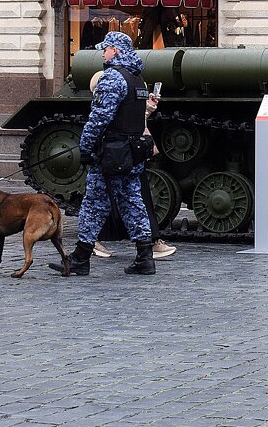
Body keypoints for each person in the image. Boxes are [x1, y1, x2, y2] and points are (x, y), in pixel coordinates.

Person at [52, 31, 155, 276]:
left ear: (115, 51)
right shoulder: (137, 79)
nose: (103, 53)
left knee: (94, 203)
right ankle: (145, 256)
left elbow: (99, 118)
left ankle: (81, 257)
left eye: (106, 49)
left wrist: (86, 146)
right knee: (133, 202)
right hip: (132, 152)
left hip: (111, 153)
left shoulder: (112, 78)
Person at [87, 70, 176, 260]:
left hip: (128, 153)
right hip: (115, 153)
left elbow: (131, 120)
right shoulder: (109, 90)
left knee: (131, 197)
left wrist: (147, 110)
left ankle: (149, 243)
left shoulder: (126, 84)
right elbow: (107, 123)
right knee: (106, 197)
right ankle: (90, 242)